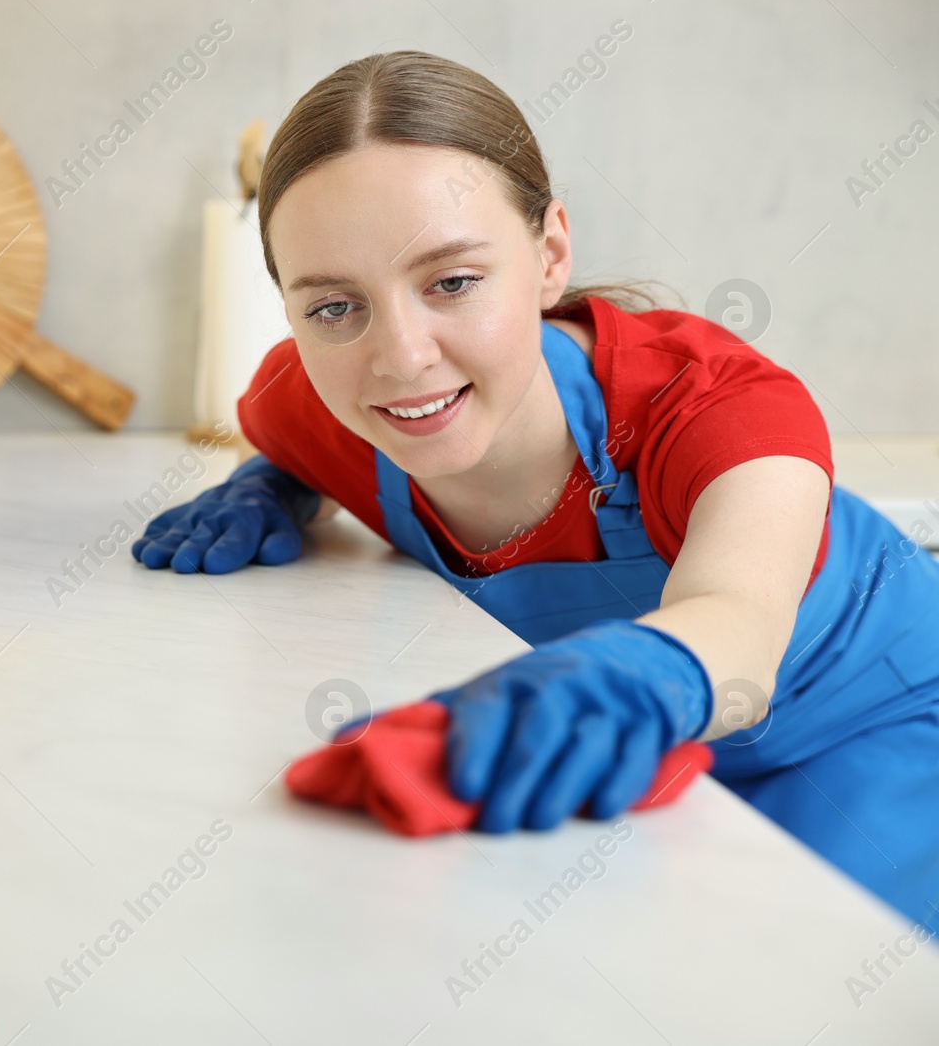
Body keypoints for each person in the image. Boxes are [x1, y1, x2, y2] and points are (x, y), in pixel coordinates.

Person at [132, 51, 939, 932]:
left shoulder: (715, 408)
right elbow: (304, 441)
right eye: (334, 306)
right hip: (636, 753)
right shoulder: (304, 404)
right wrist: (276, 483)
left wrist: (639, 677)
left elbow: (739, 622)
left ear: (549, 253)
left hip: (872, 725)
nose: (400, 357)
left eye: (452, 282)